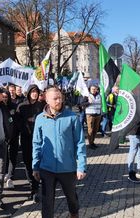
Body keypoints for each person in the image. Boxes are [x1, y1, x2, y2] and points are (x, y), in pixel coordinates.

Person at [32, 86, 87, 218]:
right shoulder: (40, 118)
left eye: (60, 98)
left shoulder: (72, 117)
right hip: (47, 168)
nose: (59, 101)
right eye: (55, 99)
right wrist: (35, 166)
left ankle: (74, 213)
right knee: (47, 201)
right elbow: (37, 143)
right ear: (47, 100)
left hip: (67, 168)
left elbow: (80, 143)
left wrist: (81, 166)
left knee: (71, 197)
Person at [16, 84, 45, 202]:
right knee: (28, 163)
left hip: (39, 139)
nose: (34, 94)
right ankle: (32, 187)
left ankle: (36, 187)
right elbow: (17, 121)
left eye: (36, 92)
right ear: (28, 93)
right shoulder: (22, 106)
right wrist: (26, 124)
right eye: (32, 92)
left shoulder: (42, 105)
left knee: (38, 162)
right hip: (26, 138)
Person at [85, 85, 101, 149]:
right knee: (90, 130)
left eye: (95, 89)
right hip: (90, 115)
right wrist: (88, 102)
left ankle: (92, 142)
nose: (94, 90)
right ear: (90, 89)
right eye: (92, 89)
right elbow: (81, 104)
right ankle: (90, 143)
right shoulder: (87, 96)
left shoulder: (99, 95)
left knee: (95, 130)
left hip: (98, 115)